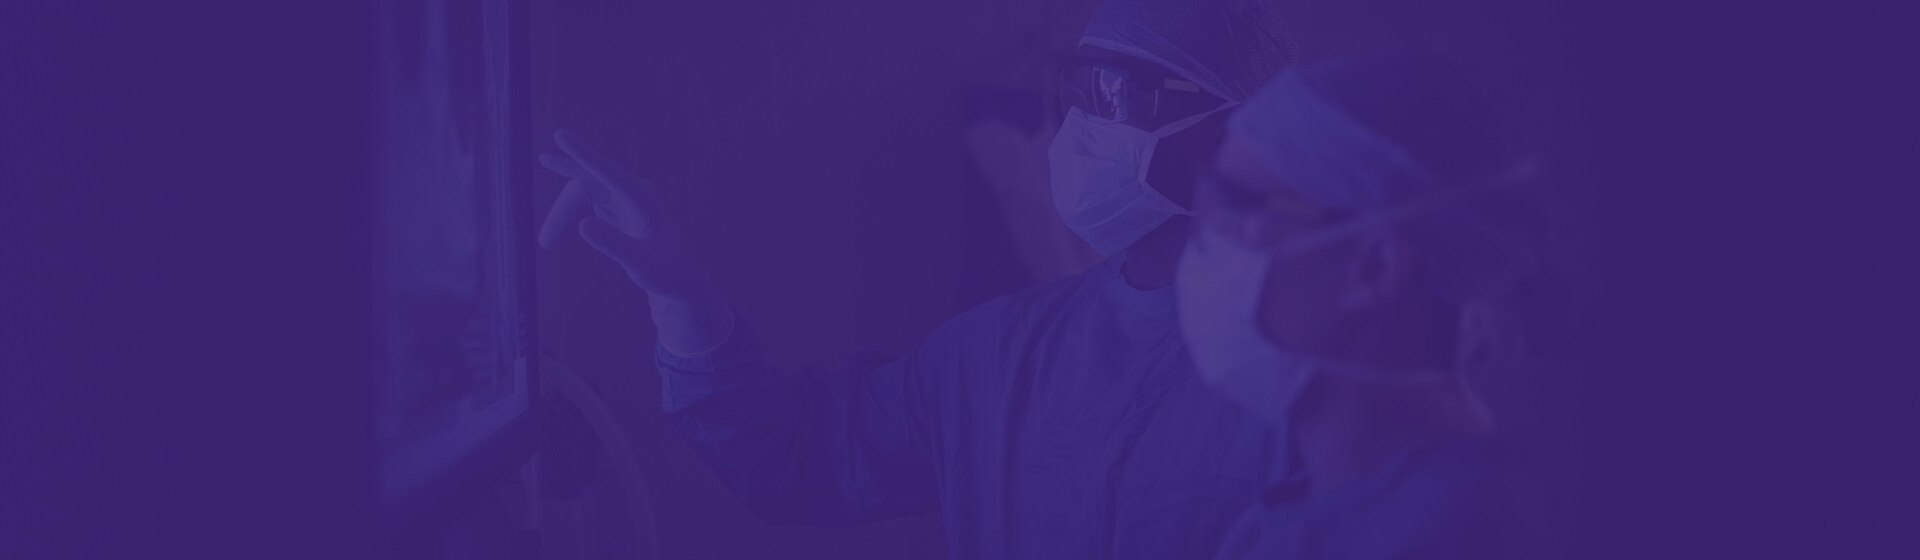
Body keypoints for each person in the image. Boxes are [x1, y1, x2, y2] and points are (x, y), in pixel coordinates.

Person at [537, 0, 1299, 557]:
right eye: (1076, 91)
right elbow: (796, 456)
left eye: (1118, 95)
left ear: (1235, 130)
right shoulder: (999, 355)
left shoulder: (1308, 374)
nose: (1083, 126)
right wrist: (682, 300)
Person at [1173, 53, 1568, 559]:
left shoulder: (1466, 534)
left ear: (1374, 268)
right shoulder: (1304, 513)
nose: (1207, 238)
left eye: (1237, 206)